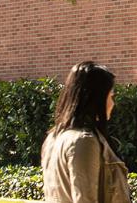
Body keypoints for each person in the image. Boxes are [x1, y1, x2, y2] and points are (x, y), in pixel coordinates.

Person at [40, 61, 131, 203]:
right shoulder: (83, 141)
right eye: (111, 95)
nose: (113, 103)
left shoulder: (53, 138)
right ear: (97, 97)